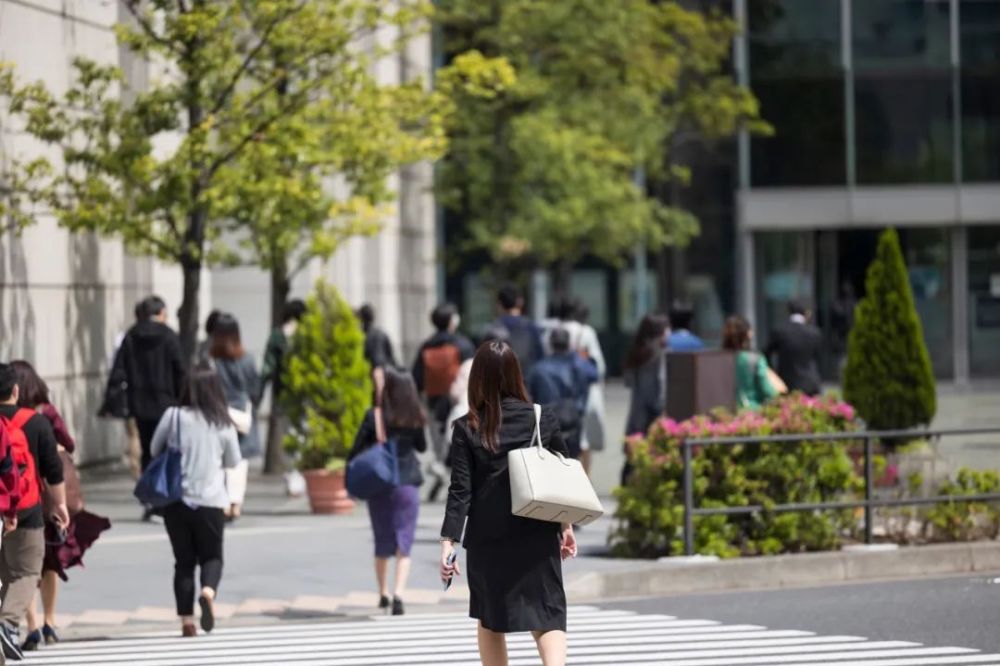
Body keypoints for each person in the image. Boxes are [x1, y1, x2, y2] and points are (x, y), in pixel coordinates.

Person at [440, 340, 576, 666]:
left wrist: (449, 542)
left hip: (488, 538)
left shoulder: (467, 427)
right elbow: (562, 476)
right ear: (516, 375)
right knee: (548, 612)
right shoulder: (542, 418)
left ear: (478, 379)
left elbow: (461, 490)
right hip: (536, 531)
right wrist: (565, 525)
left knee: (491, 619)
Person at [11, 362, 110, 652]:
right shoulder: (46, 414)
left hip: (22, 497)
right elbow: (69, 444)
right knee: (48, 565)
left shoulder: (8, 419)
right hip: (48, 499)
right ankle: (50, 622)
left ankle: (31, 627)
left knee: (22, 566)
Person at [150, 364, 241, 638]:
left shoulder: (173, 416)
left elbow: (155, 448)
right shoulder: (223, 422)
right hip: (211, 502)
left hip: (176, 501)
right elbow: (233, 461)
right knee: (212, 556)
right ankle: (208, 591)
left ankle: (187, 622)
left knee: (184, 561)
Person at [0, 363, 68, 662]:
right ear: (16, 391)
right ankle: (7, 622)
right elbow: (53, 470)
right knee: (26, 572)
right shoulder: (37, 423)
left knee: (6, 579)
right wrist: (60, 505)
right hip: (23, 509)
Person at [348, 368, 427, 616]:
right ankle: (398, 595)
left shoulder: (375, 416)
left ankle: (382, 593)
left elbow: (356, 449)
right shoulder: (415, 416)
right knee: (404, 541)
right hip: (407, 485)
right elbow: (422, 447)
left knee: (382, 540)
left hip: (380, 486)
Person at [111, 296, 185, 479]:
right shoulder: (169, 336)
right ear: (161, 313)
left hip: (139, 403)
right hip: (166, 402)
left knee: (146, 447)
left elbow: (119, 369)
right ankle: (165, 489)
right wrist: (182, 397)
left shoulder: (131, 335)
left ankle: (149, 489)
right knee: (166, 446)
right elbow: (180, 370)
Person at [412, 303, 475, 502]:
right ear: (453, 321)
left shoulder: (426, 346)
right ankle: (450, 475)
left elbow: (417, 377)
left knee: (440, 443)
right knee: (459, 443)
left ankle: (442, 471)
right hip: (459, 401)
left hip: (433, 401)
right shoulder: (463, 345)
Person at [209, 314, 260, 520]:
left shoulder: (211, 359)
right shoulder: (246, 359)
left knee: (220, 460)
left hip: (218, 414)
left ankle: (222, 503)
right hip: (242, 417)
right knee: (240, 462)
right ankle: (235, 504)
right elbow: (255, 389)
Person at [526, 328, 598, 459]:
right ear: (569, 343)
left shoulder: (538, 368)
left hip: (546, 424)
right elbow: (594, 374)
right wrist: (578, 354)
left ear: (550, 343)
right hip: (572, 422)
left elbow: (530, 396)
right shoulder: (578, 364)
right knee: (572, 462)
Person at [621, 314, 670, 485]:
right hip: (655, 410)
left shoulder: (636, 351)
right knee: (656, 455)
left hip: (637, 410)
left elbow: (627, 381)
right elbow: (662, 382)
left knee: (634, 454)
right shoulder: (661, 352)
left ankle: (629, 487)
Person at [260, 299, 306, 482]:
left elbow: (267, 367)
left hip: (284, 395)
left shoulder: (277, 336)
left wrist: (260, 391)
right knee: (303, 435)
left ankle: (294, 477)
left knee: (289, 436)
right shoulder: (307, 334)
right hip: (305, 394)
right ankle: (299, 476)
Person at [574, 302, 606, 476]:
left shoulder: (562, 329)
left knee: (575, 438)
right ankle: (586, 477)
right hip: (585, 391)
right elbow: (599, 366)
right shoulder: (587, 332)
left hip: (567, 392)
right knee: (585, 439)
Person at [764, 300, 823, 396]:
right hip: (810, 384)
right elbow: (819, 358)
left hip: (785, 382)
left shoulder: (779, 331)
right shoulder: (814, 333)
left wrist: (773, 374)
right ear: (807, 313)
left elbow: (766, 354)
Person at [723, 315, 781, 409]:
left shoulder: (717, 359)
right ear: (748, 334)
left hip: (723, 412)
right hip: (751, 411)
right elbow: (766, 389)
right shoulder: (755, 359)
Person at [494, 285, 544, 376]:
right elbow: (540, 357)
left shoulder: (493, 329)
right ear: (520, 302)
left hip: (501, 383)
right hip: (527, 380)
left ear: (499, 304)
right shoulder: (531, 327)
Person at [358, 304, 397, 371]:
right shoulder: (382, 333)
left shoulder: (361, 335)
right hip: (385, 370)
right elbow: (392, 358)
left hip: (371, 372)